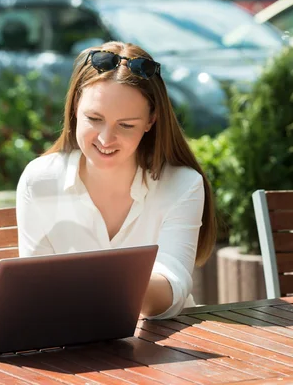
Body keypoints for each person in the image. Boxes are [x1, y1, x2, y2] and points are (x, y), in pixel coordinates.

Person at [16, 41, 217, 319]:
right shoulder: (39, 181)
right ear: (75, 107)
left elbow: (174, 285)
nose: (105, 139)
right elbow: (33, 291)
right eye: (94, 118)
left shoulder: (182, 185)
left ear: (151, 121)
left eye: (126, 125)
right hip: (71, 345)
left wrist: (95, 286)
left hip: (166, 348)